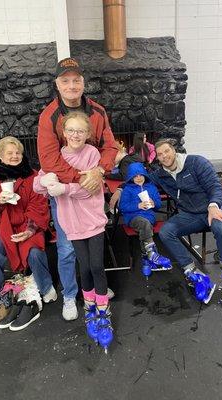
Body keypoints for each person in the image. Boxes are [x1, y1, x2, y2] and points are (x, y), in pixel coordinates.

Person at [37, 57, 117, 321]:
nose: (72, 85)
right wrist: (80, 180)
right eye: (65, 80)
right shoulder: (49, 116)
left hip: (92, 188)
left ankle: (96, 288)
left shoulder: (98, 112)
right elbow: (49, 160)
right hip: (66, 193)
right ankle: (71, 295)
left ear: (83, 82)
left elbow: (110, 146)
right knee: (68, 248)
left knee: (93, 246)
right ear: (57, 84)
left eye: (76, 80)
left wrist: (99, 171)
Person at [34, 112, 113, 350]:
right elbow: (37, 185)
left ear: (88, 134)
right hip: (73, 225)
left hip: (93, 221)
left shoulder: (92, 154)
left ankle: (103, 311)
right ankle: (89, 305)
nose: (75, 135)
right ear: (63, 133)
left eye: (80, 131)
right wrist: (45, 181)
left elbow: (90, 187)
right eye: (71, 130)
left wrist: (63, 188)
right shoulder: (56, 157)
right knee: (85, 267)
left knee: (97, 266)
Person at [0, 136, 56, 329]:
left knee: (35, 251)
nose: (14, 156)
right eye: (9, 153)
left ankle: (46, 287)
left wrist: (29, 231)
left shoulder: (33, 176)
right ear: (0, 156)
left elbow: (39, 206)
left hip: (29, 225)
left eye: (18, 152)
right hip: (1, 226)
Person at [149, 139, 222, 304]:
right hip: (190, 214)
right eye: (160, 154)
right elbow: (138, 178)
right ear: (157, 158)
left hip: (212, 207)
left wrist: (213, 205)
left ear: (174, 151)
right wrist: (121, 188)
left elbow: (215, 186)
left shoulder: (196, 162)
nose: (164, 156)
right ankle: (195, 275)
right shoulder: (161, 174)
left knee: (221, 227)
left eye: (166, 151)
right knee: (165, 232)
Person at [119, 162, 172, 275]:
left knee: (146, 224)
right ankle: (151, 254)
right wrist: (138, 206)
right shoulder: (128, 189)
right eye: (135, 176)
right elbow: (122, 207)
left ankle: (147, 258)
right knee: (144, 224)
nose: (138, 178)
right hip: (133, 217)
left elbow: (158, 204)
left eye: (141, 175)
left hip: (149, 216)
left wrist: (154, 203)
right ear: (131, 178)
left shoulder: (151, 187)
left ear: (145, 175)